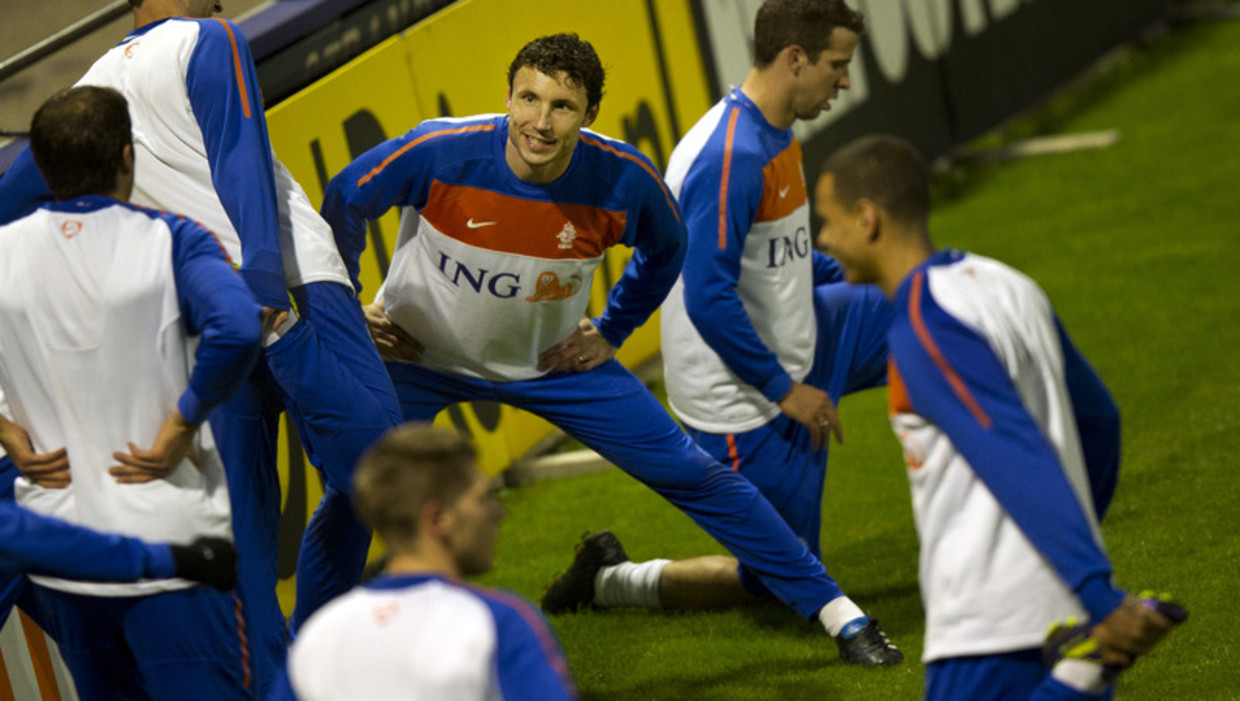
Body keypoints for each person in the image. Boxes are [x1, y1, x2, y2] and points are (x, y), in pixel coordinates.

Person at [320, 31, 894, 667]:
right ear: (507, 97)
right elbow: (344, 199)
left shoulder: (624, 178)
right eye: (528, 99)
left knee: (693, 474)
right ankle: (304, 655)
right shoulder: (437, 150)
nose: (540, 122)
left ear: (589, 114)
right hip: (418, 361)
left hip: (553, 367)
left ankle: (843, 617)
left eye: (561, 106)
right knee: (352, 497)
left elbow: (667, 250)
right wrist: (347, 308)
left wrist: (613, 329)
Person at [0, 1, 403, 688]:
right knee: (372, 471)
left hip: (214, 323)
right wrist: (267, 287)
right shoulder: (209, 37)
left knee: (258, 532)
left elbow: (15, 195)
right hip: (284, 289)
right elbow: (239, 152)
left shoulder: (80, 103)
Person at [539, 0, 901, 667]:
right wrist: (786, 390)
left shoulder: (778, 127)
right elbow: (706, 295)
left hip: (806, 336)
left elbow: (780, 255)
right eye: (838, 67)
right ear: (796, 60)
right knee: (778, 581)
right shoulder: (728, 156)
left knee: (930, 307)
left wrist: (869, 270)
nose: (845, 82)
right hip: (747, 401)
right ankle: (609, 579)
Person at [814, 133, 1184, 699]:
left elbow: (1008, 447)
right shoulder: (1006, 283)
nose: (823, 239)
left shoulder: (922, 322)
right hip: (1062, 612)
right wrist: (1079, 555)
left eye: (828, 221)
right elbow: (1099, 421)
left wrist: (1096, 590)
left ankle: (1085, 670)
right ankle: (1083, 671)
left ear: (867, 219)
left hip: (989, 626)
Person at [0, 85, 260, 699]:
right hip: (170, 540)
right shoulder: (172, 240)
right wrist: (182, 423)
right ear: (126, 157)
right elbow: (239, 325)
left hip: (67, 556)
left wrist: (5, 428)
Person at [271, 423, 576, 700]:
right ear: (438, 519)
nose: (497, 513)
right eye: (482, 499)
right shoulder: (497, 623)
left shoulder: (319, 638)